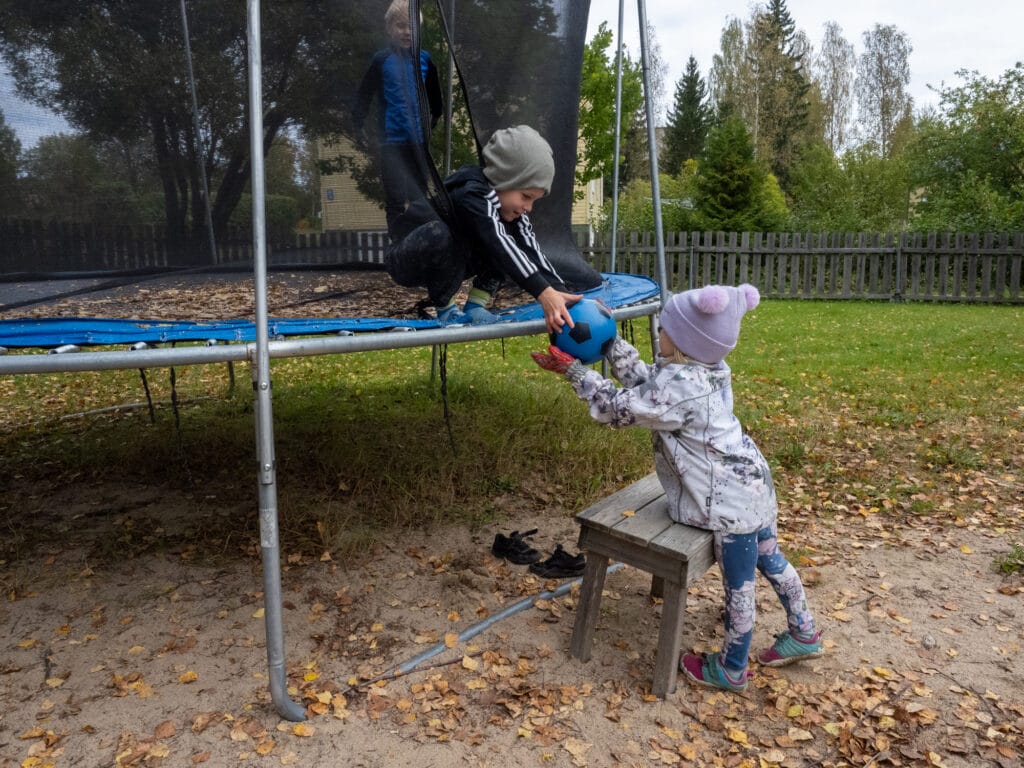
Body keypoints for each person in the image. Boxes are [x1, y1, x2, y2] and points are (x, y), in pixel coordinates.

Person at [531, 284, 823, 692]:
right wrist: (612, 344)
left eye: (664, 329)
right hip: (754, 485)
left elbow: (621, 407)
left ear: (684, 341)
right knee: (771, 558)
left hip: (727, 503)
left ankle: (732, 667)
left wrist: (576, 373)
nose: (658, 335)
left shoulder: (681, 387)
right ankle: (804, 630)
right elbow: (649, 386)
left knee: (739, 586)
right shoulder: (704, 370)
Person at [386, 124, 582, 333]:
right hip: (408, 257)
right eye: (526, 196)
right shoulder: (471, 194)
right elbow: (498, 241)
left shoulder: (509, 211)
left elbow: (530, 249)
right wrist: (542, 292)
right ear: (504, 179)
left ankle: (475, 307)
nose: (528, 207)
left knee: (510, 243)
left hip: (454, 258)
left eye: (534, 200)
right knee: (480, 238)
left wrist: (559, 292)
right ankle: (446, 309)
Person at [352, 0, 443, 236]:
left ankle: (420, 241)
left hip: (418, 142)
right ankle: (398, 244)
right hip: (391, 141)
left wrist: (432, 121)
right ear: (390, 29)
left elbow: (435, 97)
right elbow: (364, 93)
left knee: (420, 196)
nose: (407, 32)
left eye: (412, 26)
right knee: (394, 197)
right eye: (401, 26)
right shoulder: (381, 61)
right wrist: (357, 121)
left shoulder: (425, 60)